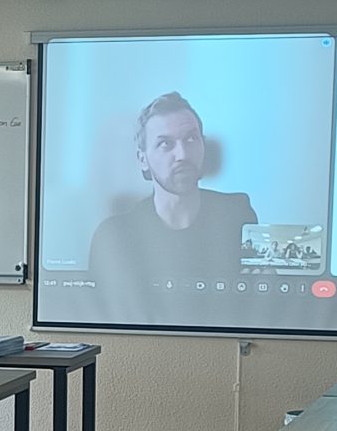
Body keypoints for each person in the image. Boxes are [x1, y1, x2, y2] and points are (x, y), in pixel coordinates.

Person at [87, 92, 258, 310]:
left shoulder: (236, 215)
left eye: (191, 139)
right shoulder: (114, 236)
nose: (182, 154)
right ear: (143, 159)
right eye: (165, 144)